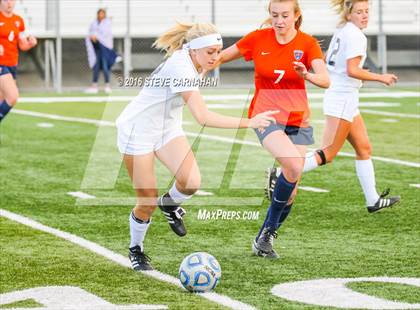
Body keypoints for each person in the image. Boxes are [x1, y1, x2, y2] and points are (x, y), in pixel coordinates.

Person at [115, 22, 278, 270]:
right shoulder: (181, 67)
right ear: (193, 50)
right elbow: (203, 117)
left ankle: (169, 204)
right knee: (146, 200)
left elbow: (221, 54)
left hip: (166, 128)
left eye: (217, 50)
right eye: (210, 52)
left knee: (191, 183)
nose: (216, 56)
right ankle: (136, 249)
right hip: (138, 130)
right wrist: (250, 122)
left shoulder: (197, 57)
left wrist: (263, 33)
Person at [214, 0, 330, 258]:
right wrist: (197, 63)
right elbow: (221, 56)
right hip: (265, 116)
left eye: (285, 15)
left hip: (298, 120)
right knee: (294, 166)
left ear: (296, 15)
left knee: (291, 191)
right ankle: (268, 230)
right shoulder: (258, 38)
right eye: (274, 15)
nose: (279, 20)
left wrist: (306, 74)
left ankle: (265, 236)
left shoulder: (307, 44)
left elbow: (325, 80)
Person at [266, 0, 400, 214]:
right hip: (342, 98)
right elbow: (352, 70)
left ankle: (372, 199)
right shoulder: (356, 35)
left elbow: (328, 58)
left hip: (344, 96)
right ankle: (283, 172)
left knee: (364, 148)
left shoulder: (344, 30)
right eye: (359, 12)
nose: (365, 16)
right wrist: (380, 77)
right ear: (349, 14)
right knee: (328, 153)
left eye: (367, 11)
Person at [0, 0, 37, 123]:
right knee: (13, 96)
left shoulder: (19, 20)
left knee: (2, 101)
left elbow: (22, 45)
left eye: (11, 0)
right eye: (6, 0)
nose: (9, 3)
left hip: (12, 65)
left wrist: (30, 44)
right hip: (1, 64)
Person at [85, 8, 118, 94]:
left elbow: (106, 34)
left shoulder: (107, 23)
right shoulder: (94, 23)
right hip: (97, 48)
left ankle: (107, 85)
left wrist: (97, 36)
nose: (101, 15)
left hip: (104, 48)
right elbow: (91, 33)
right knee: (96, 67)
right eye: (99, 14)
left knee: (105, 66)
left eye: (102, 14)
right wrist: (93, 37)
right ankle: (94, 85)